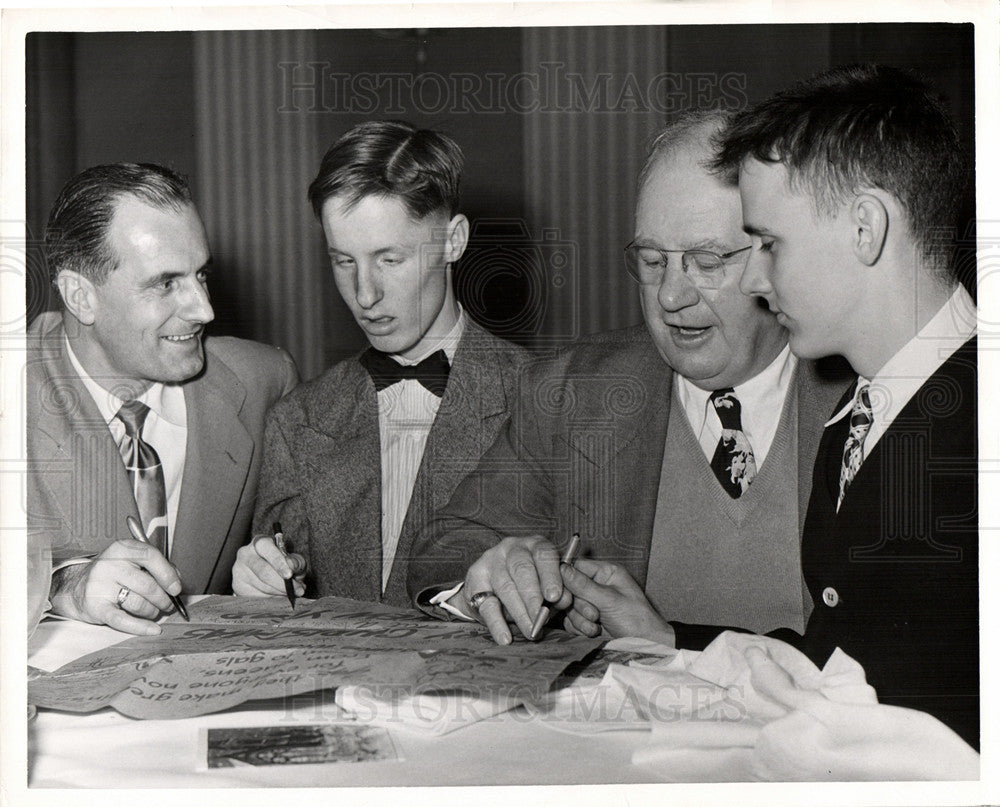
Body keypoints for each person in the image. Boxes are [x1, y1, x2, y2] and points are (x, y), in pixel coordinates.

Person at [406, 111, 846, 645]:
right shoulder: (573, 391)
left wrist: (673, 644)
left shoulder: (863, 390)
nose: (669, 297)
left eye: (706, 261)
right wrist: (486, 582)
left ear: (772, 255)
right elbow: (443, 550)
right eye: (653, 260)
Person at [707, 63, 978, 749]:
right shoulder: (858, 412)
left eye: (769, 243)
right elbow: (846, 660)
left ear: (865, 228)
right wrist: (663, 634)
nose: (752, 278)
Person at [231, 121, 530, 608]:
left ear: (453, 240)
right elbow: (285, 593)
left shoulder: (545, 400)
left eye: (389, 259)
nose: (365, 295)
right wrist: (264, 579)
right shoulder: (296, 420)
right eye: (344, 262)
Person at [28, 162, 298, 635]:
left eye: (202, 276)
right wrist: (63, 587)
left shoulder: (264, 383)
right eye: (166, 284)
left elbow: (296, 548)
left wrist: (268, 572)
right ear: (79, 296)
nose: (204, 310)